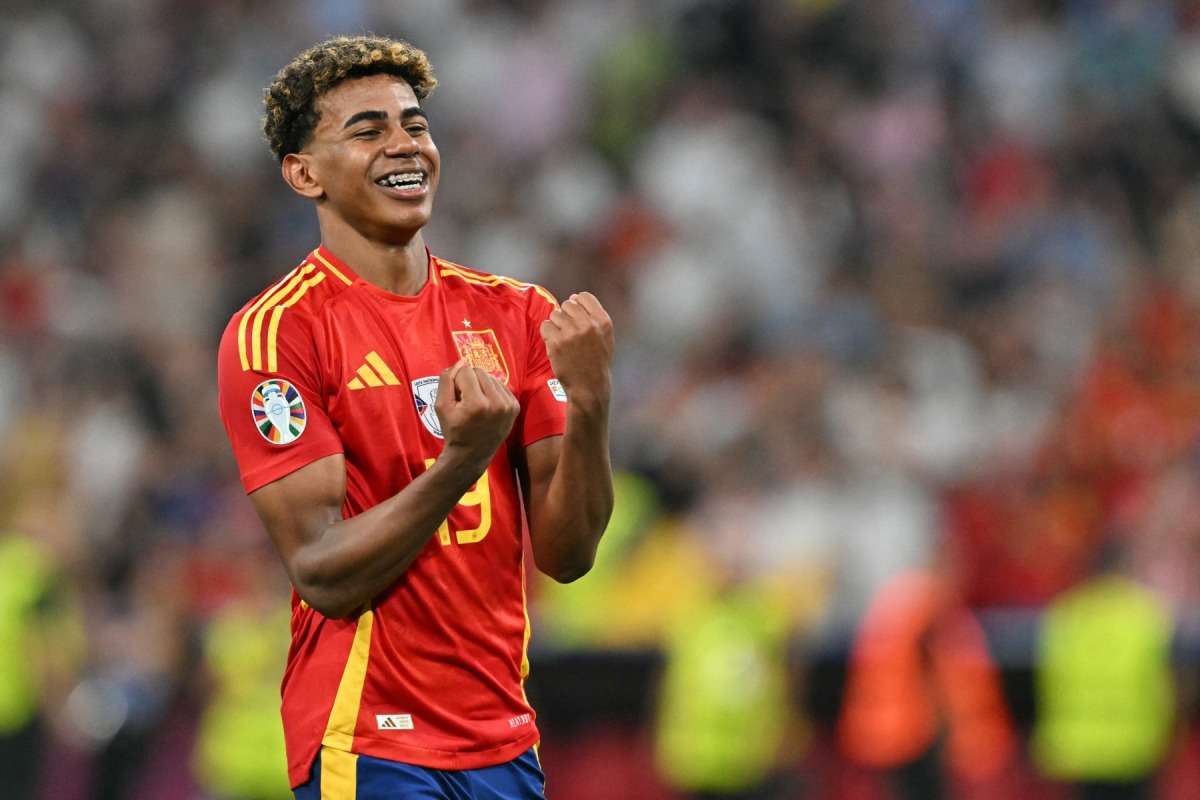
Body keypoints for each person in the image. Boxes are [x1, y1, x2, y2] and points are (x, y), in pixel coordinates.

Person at [215, 35, 615, 800]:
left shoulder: (516, 312)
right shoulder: (279, 333)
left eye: (415, 124)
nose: (404, 144)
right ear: (304, 174)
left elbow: (568, 554)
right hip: (369, 735)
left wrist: (592, 406)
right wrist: (461, 461)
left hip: (503, 733)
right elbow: (323, 573)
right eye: (366, 130)